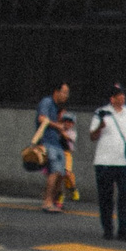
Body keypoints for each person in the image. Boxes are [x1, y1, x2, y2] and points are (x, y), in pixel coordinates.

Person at [89, 82, 126, 241]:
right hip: (104, 161)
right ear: (112, 98)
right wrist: (100, 125)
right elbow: (92, 136)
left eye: (123, 94)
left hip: (124, 162)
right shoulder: (101, 112)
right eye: (119, 95)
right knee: (105, 196)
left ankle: (124, 229)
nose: (123, 97)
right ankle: (107, 228)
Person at [35, 81, 74, 212]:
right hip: (47, 141)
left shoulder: (58, 107)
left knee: (61, 173)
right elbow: (41, 119)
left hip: (56, 143)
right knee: (54, 171)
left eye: (67, 93)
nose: (66, 96)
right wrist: (58, 126)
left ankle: (52, 200)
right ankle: (47, 202)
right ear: (56, 92)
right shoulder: (47, 102)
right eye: (64, 92)